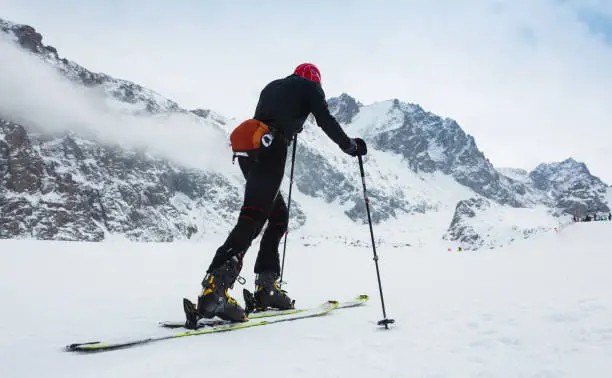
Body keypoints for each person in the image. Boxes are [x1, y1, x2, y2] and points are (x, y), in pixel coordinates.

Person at [195, 63, 367, 322]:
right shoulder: (310, 87)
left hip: (250, 151)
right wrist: (350, 146)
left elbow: (271, 117)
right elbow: (325, 119)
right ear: (316, 80)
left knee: (277, 217)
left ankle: (266, 288)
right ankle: (215, 291)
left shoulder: (272, 87)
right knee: (252, 219)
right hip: (271, 151)